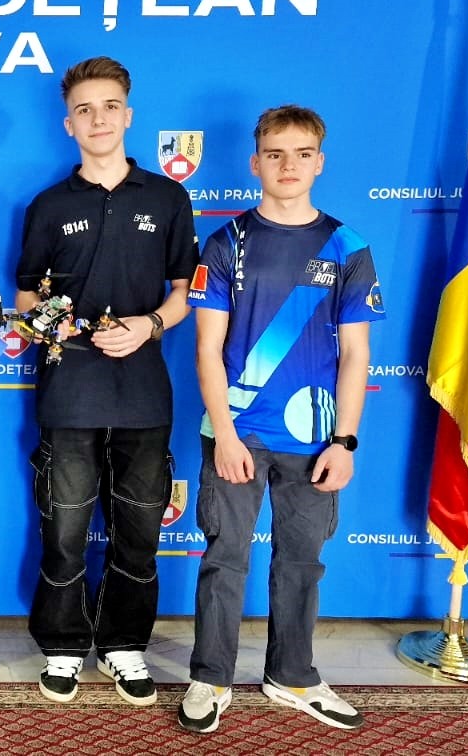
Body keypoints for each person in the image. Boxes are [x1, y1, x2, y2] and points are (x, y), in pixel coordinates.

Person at [180, 105, 383, 733]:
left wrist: (345, 441)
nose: (287, 165)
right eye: (275, 154)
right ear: (255, 163)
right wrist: (225, 433)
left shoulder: (349, 246)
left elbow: (356, 354)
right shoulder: (225, 242)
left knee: (301, 562)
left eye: (301, 154)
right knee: (225, 558)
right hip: (236, 433)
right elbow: (207, 348)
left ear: (320, 162)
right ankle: (210, 678)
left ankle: (292, 675)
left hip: (314, 438)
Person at [15, 56, 197, 705]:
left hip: (144, 393)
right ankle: (63, 646)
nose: (99, 119)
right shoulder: (48, 205)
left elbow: (185, 292)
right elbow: (27, 297)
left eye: (110, 106)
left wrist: (148, 325)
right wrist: (59, 324)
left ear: (129, 115)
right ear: (69, 124)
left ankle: (124, 645)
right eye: (84, 110)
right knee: (64, 532)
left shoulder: (168, 198)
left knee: (139, 533)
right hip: (70, 394)